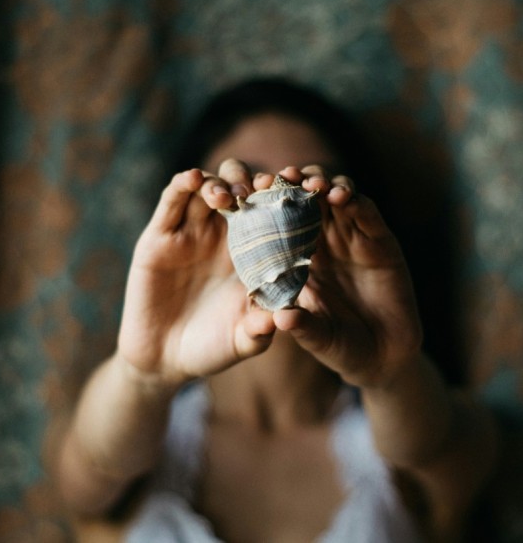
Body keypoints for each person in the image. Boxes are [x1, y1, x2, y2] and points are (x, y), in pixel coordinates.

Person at [57, 77, 498, 542]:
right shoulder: (128, 437)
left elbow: (442, 450)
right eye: (240, 188)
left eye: (310, 190)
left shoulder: (422, 426)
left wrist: (390, 373)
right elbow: (91, 466)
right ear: (196, 213)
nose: (274, 203)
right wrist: (142, 373)